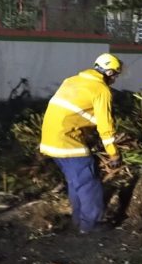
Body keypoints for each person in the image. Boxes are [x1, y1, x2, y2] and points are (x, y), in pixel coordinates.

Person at [40, 53, 123, 234]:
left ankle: (79, 222)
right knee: (88, 181)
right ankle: (91, 225)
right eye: (115, 75)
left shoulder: (72, 80)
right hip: (67, 140)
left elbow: (75, 112)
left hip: (49, 140)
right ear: (108, 72)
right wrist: (114, 153)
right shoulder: (101, 90)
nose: (115, 79)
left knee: (75, 181)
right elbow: (105, 126)